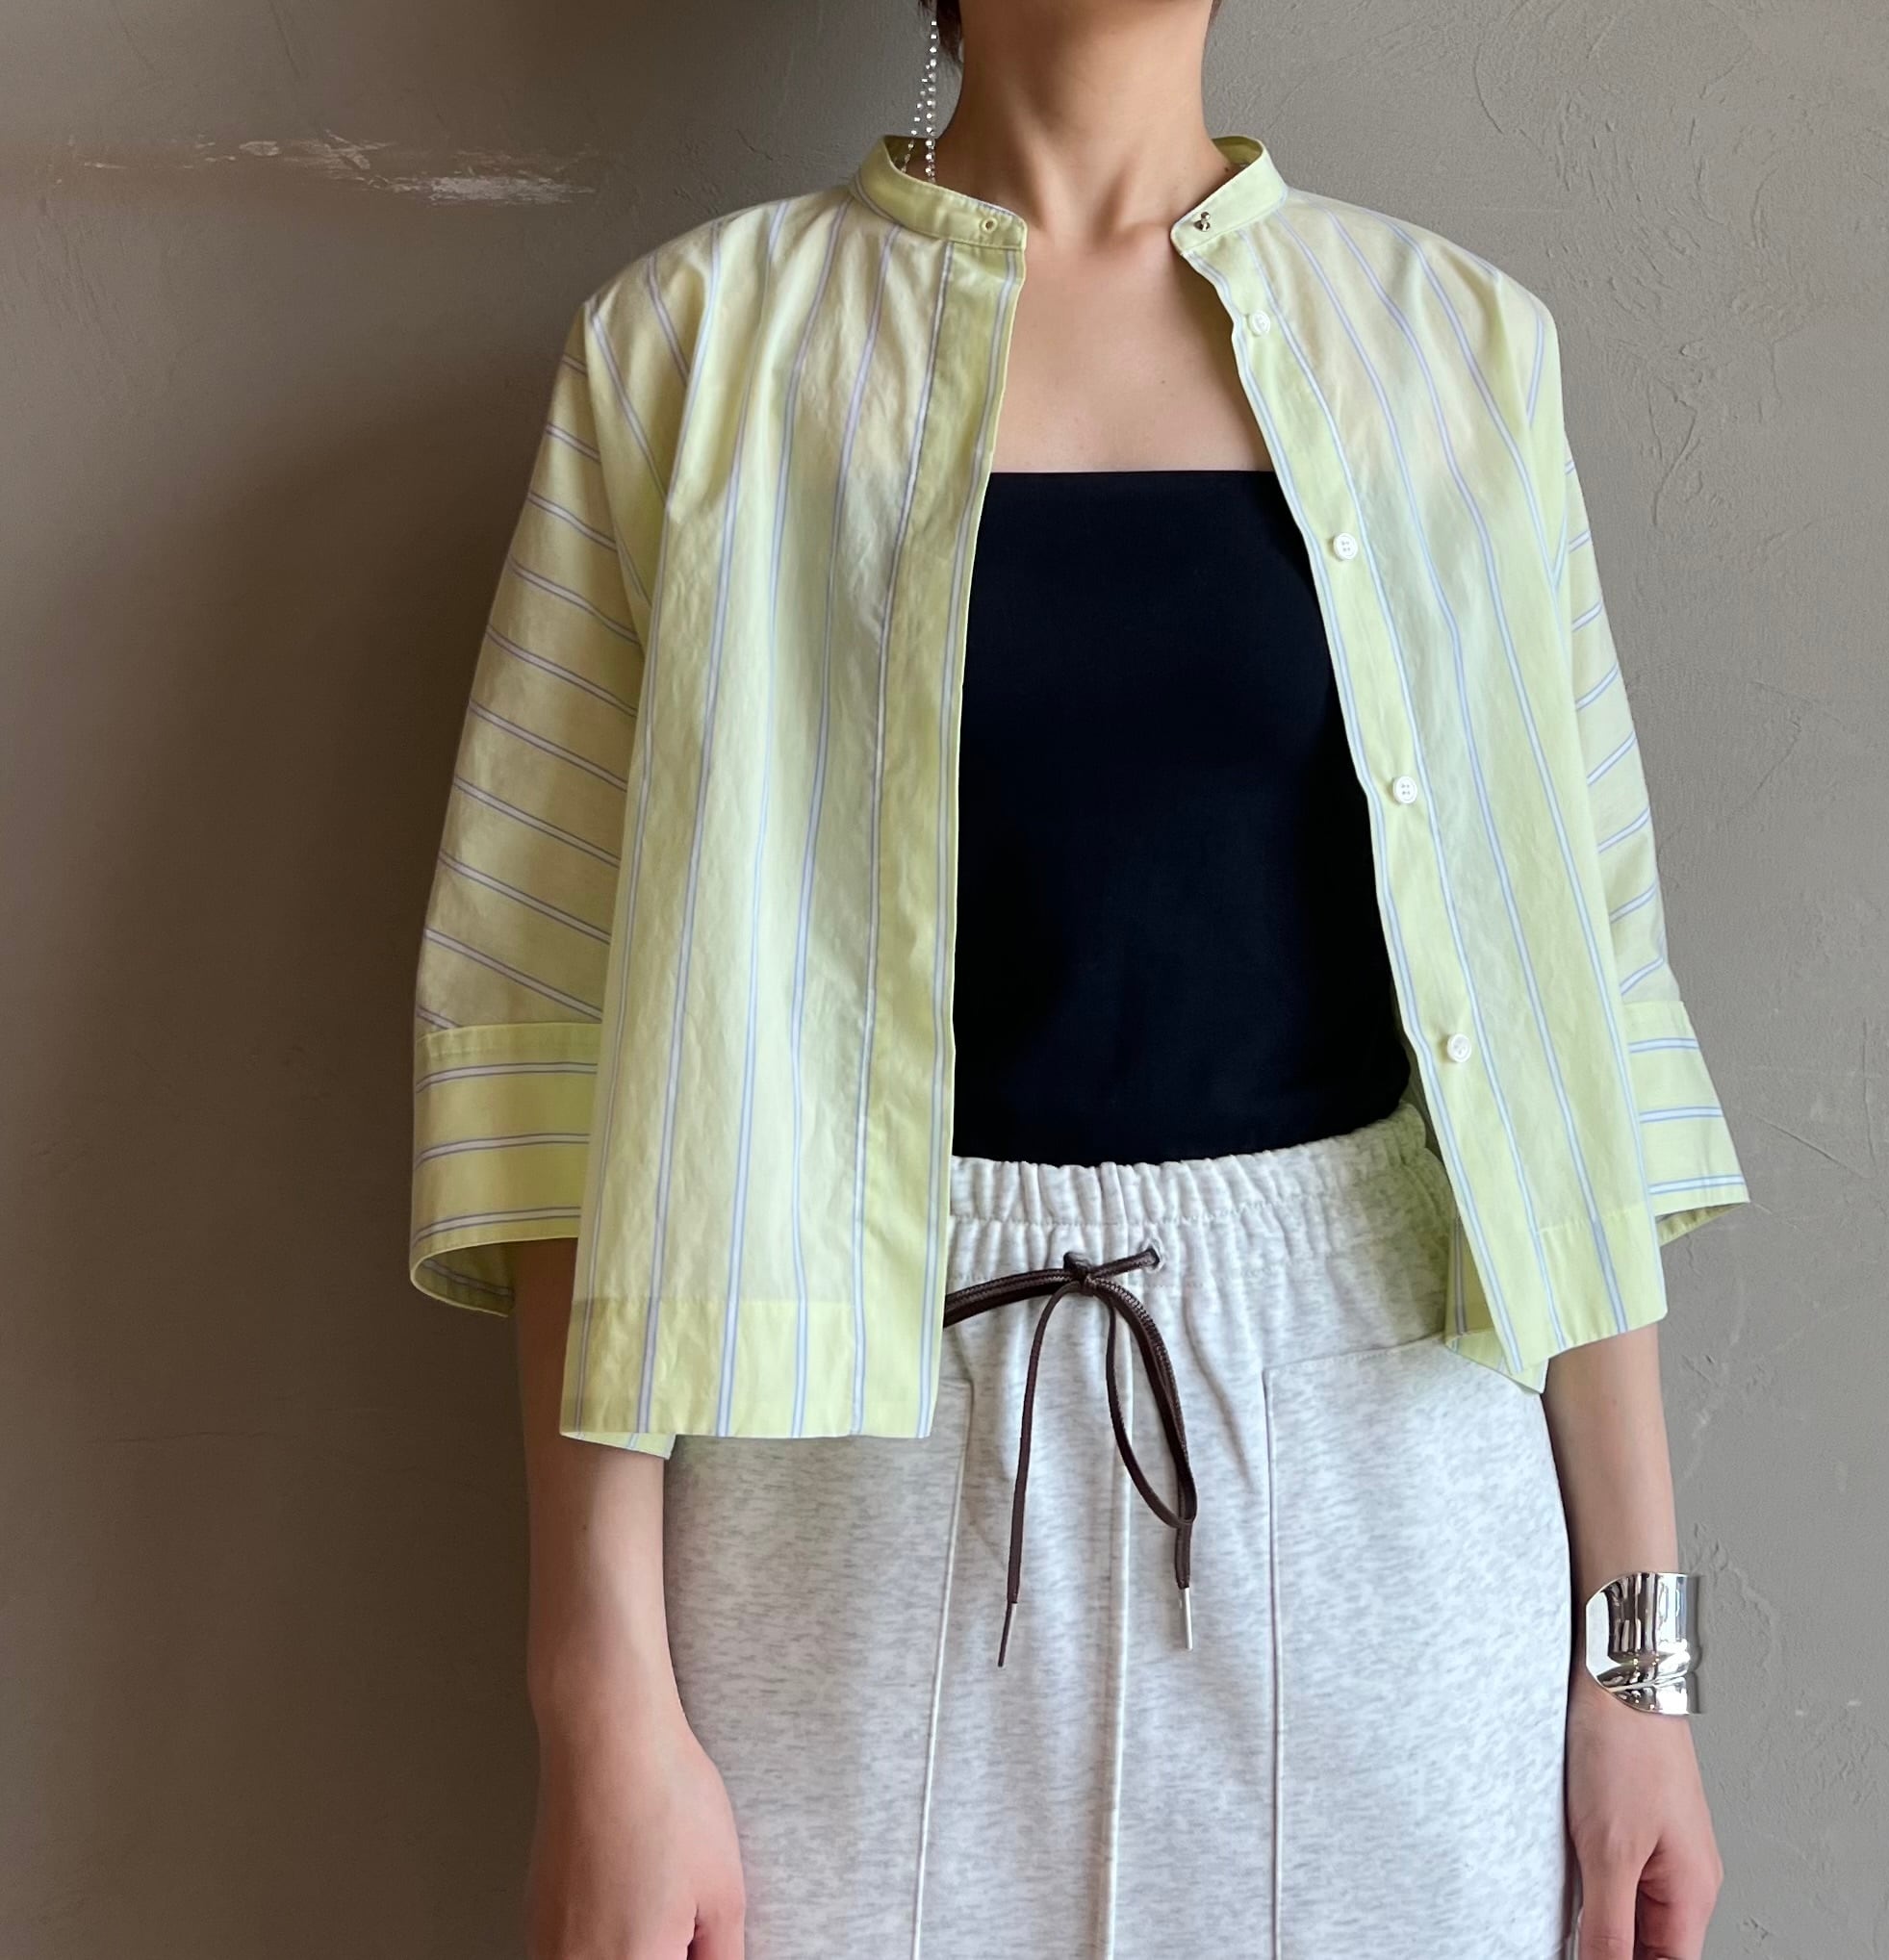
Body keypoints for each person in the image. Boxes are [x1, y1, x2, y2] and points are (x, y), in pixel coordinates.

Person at [406, 2, 1752, 1955]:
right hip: (836, 1489)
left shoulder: (1455, 349)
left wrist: (1640, 1678)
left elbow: (1576, 1055)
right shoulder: (694, 348)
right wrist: (597, 1696)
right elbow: (552, 1061)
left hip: (1382, 1478)